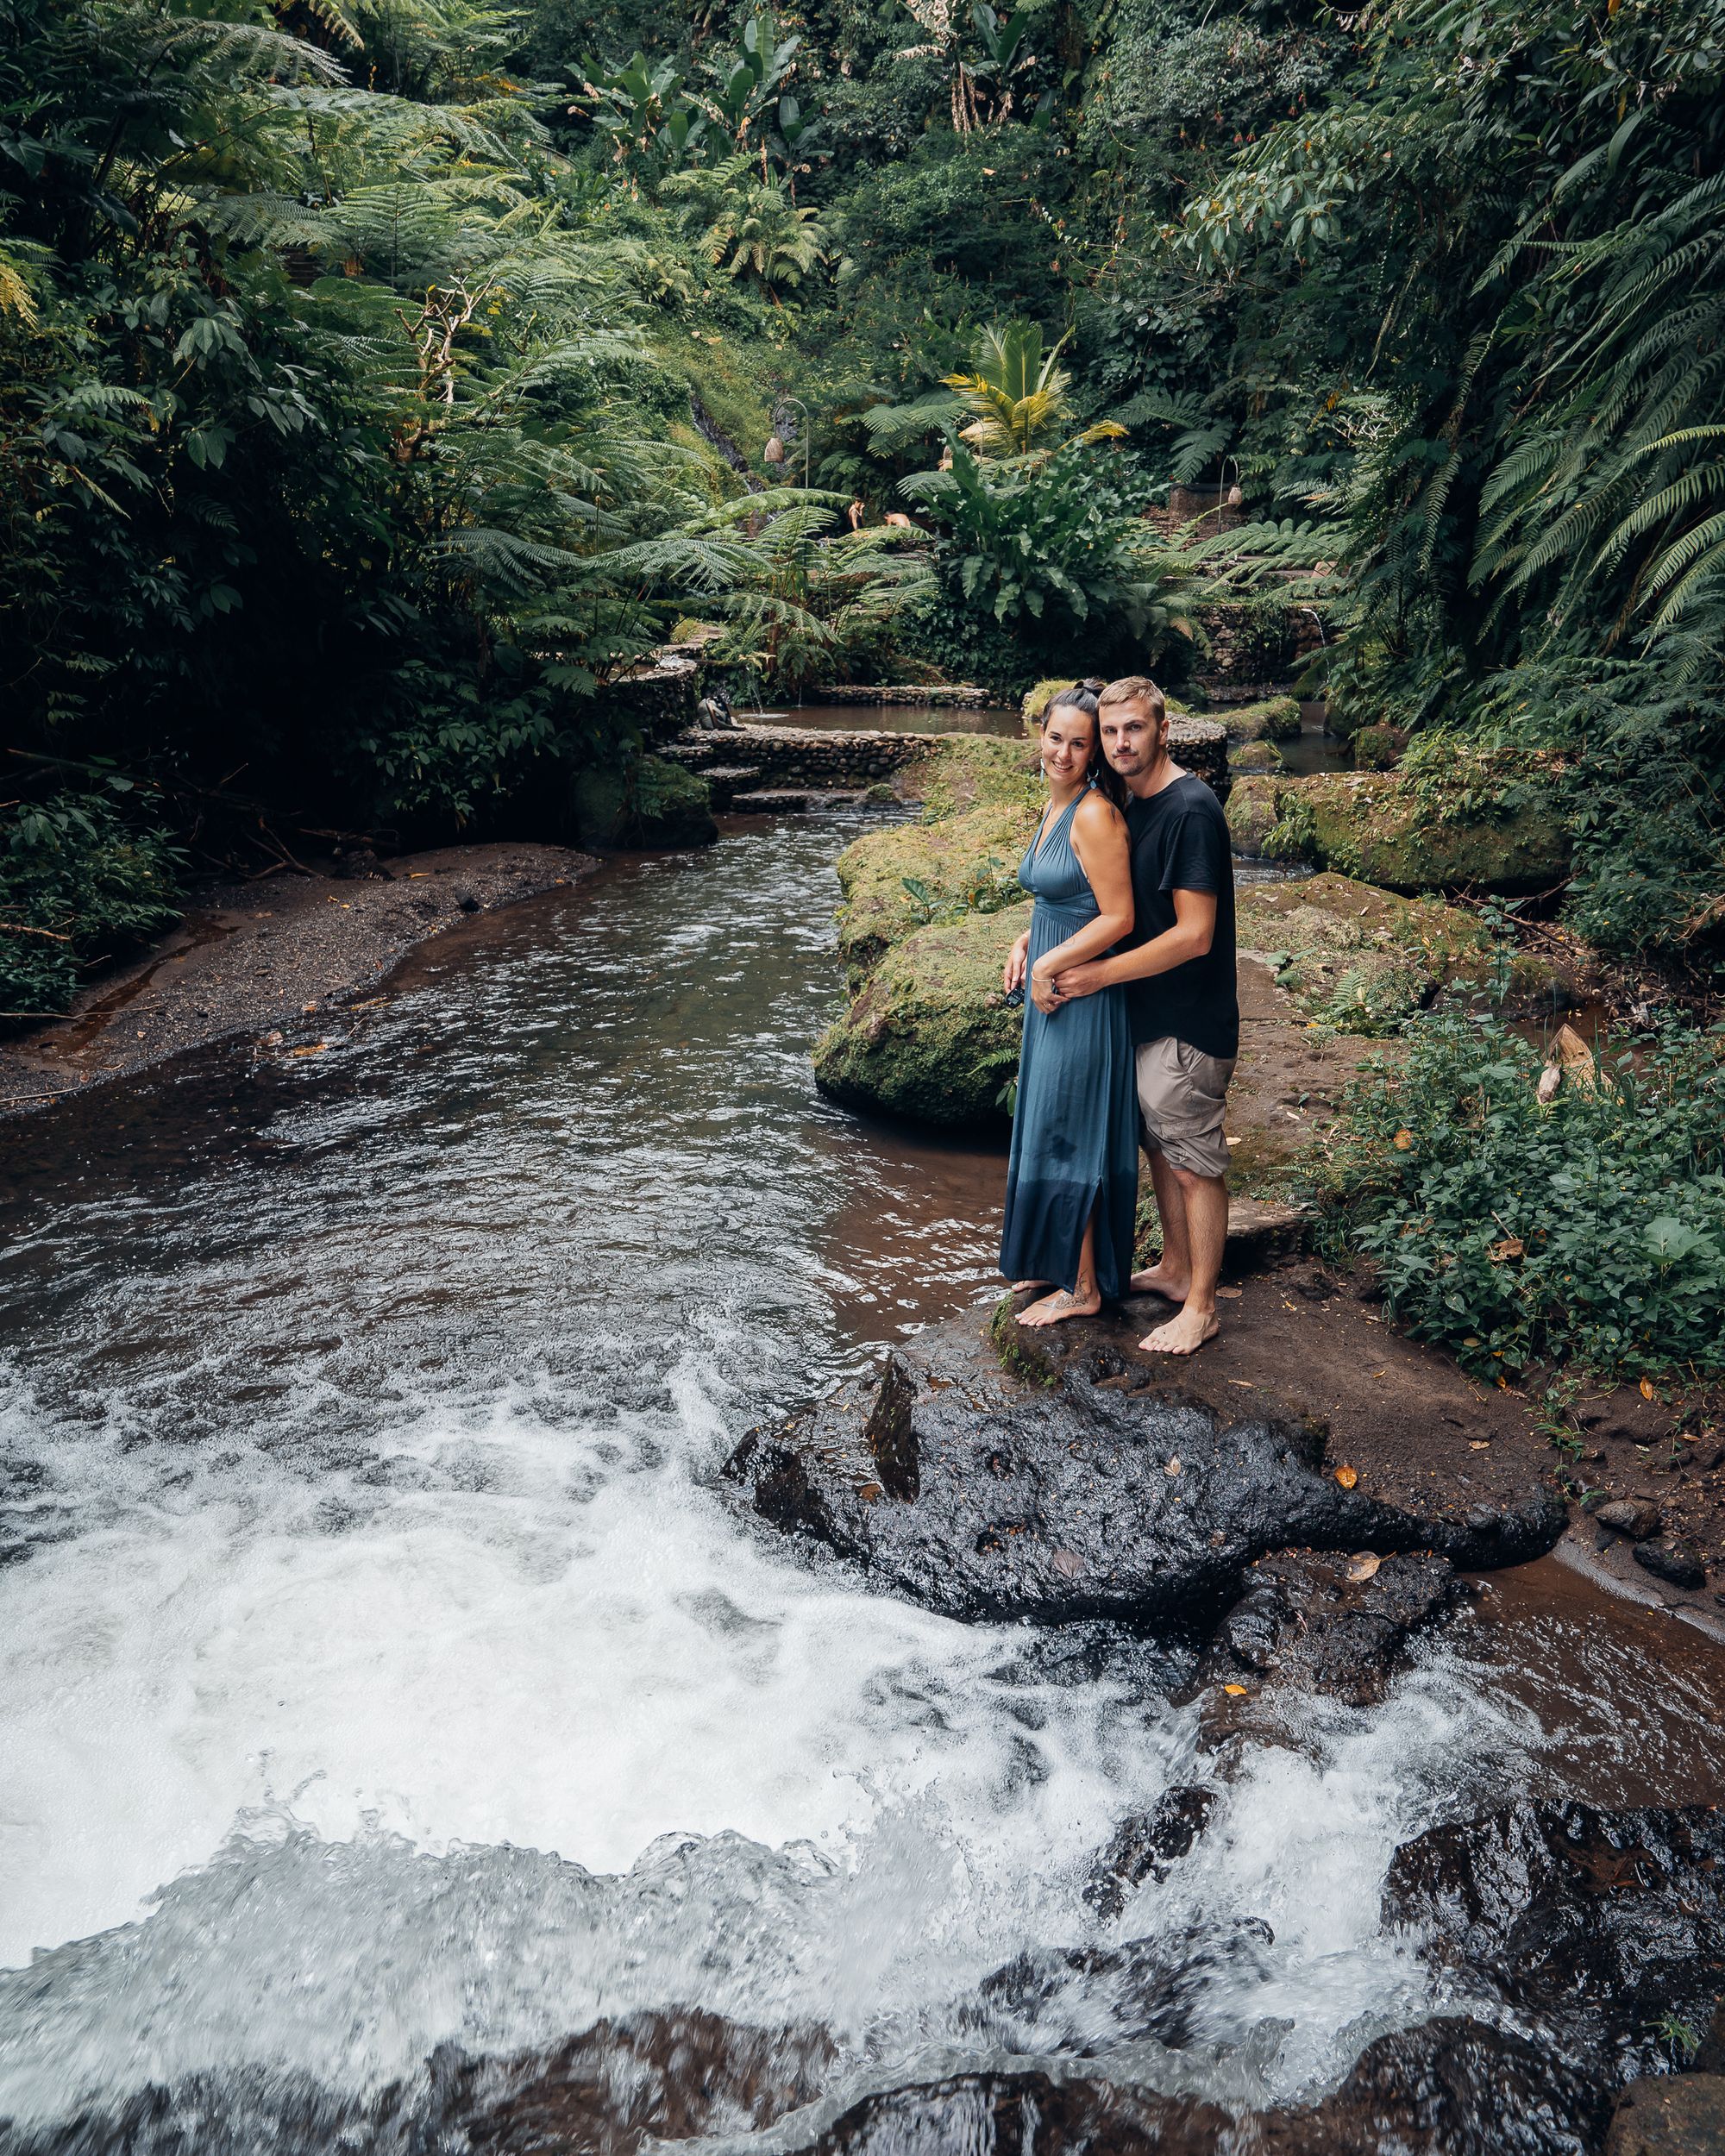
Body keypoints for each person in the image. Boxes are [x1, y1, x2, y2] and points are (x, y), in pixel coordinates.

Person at [1048, 675, 1238, 1356]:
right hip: (1145, 1016)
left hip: (1188, 1022)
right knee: (1161, 1147)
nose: (1120, 742)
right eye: (1110, 731)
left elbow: (1194, 935)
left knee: (1193, 1162)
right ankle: (1179, 1268)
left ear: (1163, 729)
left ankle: (1204, 1307)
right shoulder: (1134, 800)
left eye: (1133, 728)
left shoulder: (1189, 809)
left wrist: (1096, 974)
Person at [998, 681, 1138, 1326]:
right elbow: (1065, 895)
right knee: (1045, 1119)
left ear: (1094, 754)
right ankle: (1056, 1260)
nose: (1064, 752)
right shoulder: (1056, 804)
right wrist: (1030, 938)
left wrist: (1052, 962)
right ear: (1041, 736)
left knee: (1068, 1130)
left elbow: (1118, 916)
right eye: (1056, 738)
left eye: (1079, 744)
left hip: (1082, 994)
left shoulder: (1093, 813)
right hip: (1052, 982)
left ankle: (1084, 1287)